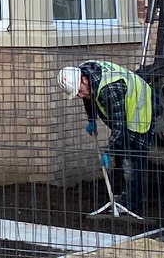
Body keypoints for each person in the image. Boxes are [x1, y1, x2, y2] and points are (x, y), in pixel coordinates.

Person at [58, 60, 156, 206]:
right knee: (122, 154)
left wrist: (108, 151)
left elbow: (120, 126)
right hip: (128, 107)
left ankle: (134, 201)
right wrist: (91, 118)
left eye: (79, 91)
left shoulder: (109, 89)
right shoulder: (86, 74)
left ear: (83, 80)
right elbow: (89, 98)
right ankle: (127, 194)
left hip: (142, 109)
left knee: (133, 159)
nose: (79, 96)